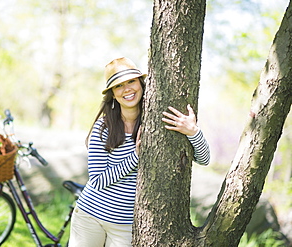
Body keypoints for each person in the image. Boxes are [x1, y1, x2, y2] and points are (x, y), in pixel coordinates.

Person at [68, 57, 210, 247]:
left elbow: (205, 159)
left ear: (141, 83)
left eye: (131, 81)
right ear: (113, 94)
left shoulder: (156, 124)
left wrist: (193, 132)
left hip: (126, 225)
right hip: (90, 216)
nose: (127, 89)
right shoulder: (104, 127)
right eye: (119, 86)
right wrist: (135, 157)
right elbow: (98, 180)